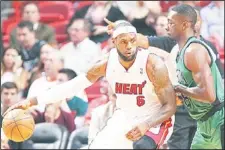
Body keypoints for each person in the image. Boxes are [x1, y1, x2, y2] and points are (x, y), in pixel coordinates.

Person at [5, 21, 176, 149]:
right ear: (114, 42)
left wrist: (146, 125)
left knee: (141, 146)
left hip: (156, 118)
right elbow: (71, 86)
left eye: (133, 40)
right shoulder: (106, 64)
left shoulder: (152, 64)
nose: (130, 46)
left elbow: (170, 105)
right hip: (125, 116)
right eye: (124, 41)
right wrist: (31, 101)